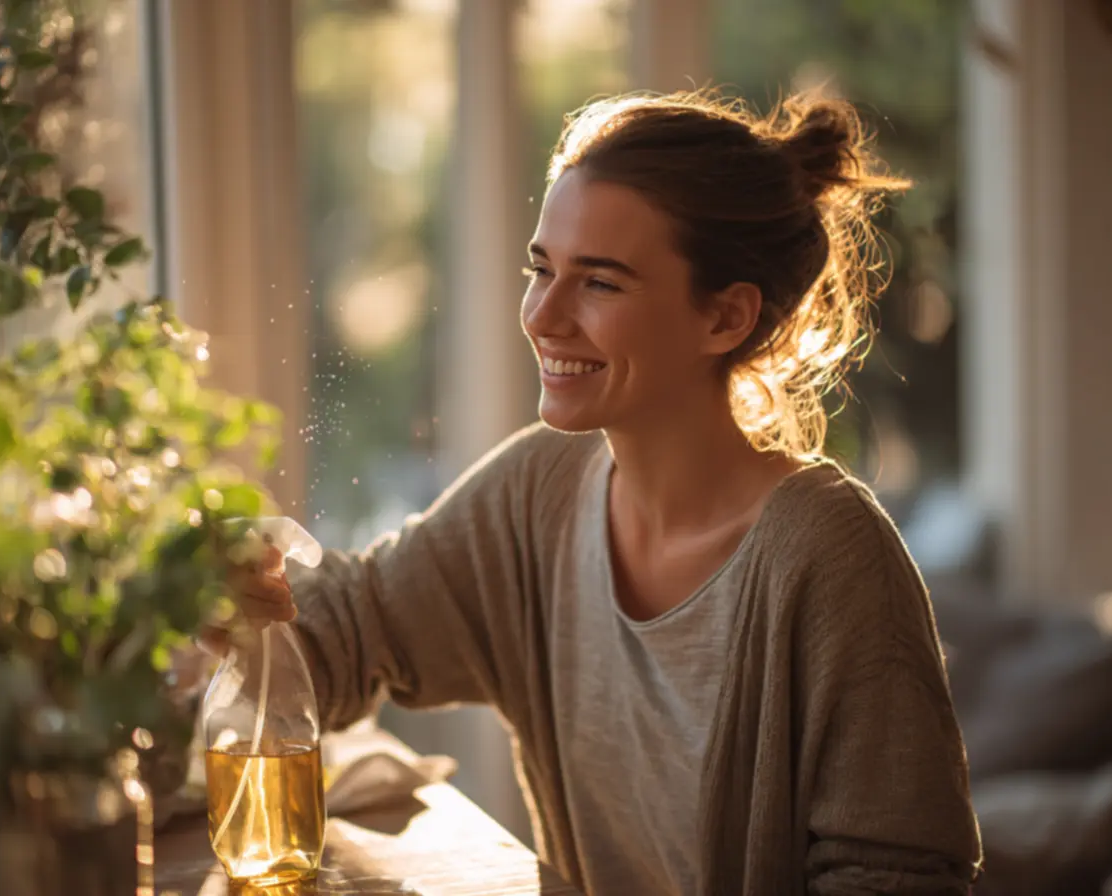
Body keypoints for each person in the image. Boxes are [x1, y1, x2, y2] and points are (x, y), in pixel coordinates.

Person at [213, 89, 982, 895]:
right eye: (540, 270)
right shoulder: (540, 490)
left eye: (601, 284)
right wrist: (242, 593)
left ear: (724, 318)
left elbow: (898, 880)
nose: (542, 316)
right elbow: (352, 627)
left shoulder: (830, 556)